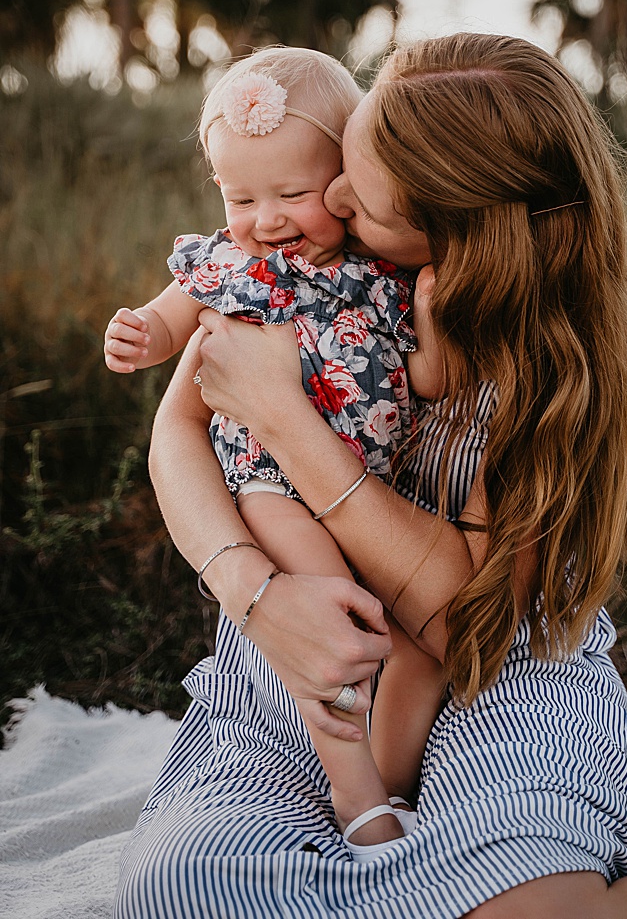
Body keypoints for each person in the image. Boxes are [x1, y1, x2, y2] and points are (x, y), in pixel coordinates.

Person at [116, 33, 627, 918]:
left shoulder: (552, 365)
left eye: (360, 195)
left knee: (530, 911)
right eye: (342, 164)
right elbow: (177, 433)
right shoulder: (290, 275)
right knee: (185, 888)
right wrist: (258, 594)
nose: (333, 196)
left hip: (494, 672)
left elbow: (453, 621)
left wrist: (285, 419)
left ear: (450, 234)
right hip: (297, 643)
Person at [103, 47, 445, 858]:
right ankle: (356, 795)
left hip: (371, 486)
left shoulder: (380, 271)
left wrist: (432, 315)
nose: (266, 218)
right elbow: (172, 317)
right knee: (330, 615)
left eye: (293, 194)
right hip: (273, 483)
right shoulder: (235, 265)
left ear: (345, 179)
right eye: (240, 197)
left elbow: (429, 378)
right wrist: (142, 333)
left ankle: (392, 778)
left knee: (408, 644)